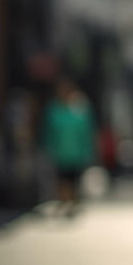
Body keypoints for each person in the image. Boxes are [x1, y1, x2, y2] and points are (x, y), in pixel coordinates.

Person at [42, 79, 95, 218]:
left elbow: (86, 131)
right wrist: (48, 147)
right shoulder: (53, 110)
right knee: (62, 179)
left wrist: (88, 149)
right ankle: (65, 202)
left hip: (76, 153)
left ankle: (72, 203)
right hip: (60, 153)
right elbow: (48, 131)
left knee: (73, 180)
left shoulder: (80, 109)